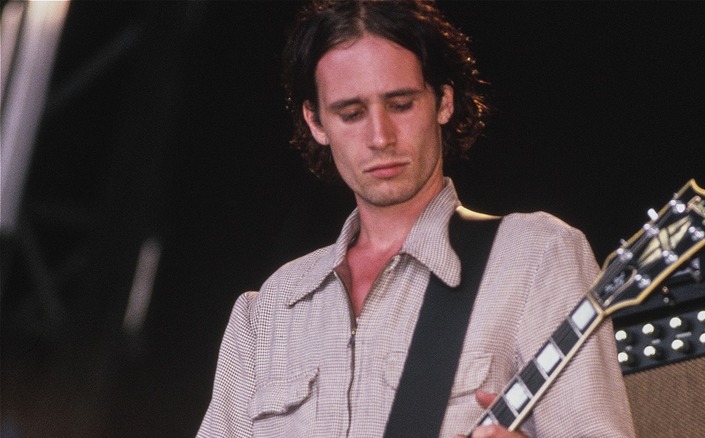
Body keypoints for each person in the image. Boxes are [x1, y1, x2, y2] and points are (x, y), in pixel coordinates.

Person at [198, 1, 635, 437]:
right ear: (316, 122)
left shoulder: (535, 258)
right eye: (351, 114)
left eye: (401, 104)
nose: (380, 137)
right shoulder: (271, 309)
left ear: (443, 101)